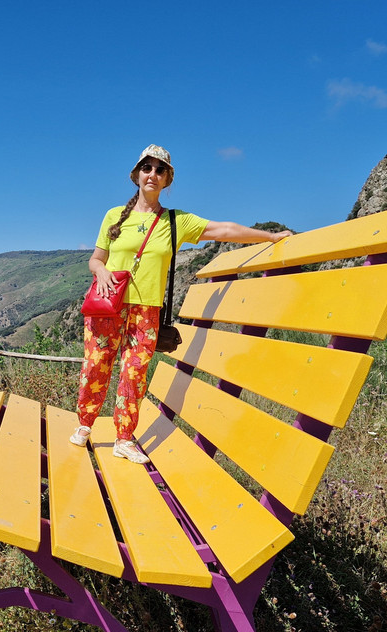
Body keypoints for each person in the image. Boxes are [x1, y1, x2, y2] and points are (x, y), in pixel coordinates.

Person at [71, 144, 292, 463]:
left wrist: (270, 237)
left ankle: (123, 438)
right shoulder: (114, 216)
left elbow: (225, 229)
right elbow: (95, 259)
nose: (153, 174)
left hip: (147, 310)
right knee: (96, 367)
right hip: (109, 304)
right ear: (136, 175)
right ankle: (85, 423)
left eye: (160, 170)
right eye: (147, 168)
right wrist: (101, 270)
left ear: (167, 180)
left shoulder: (176, 222)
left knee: (134, 373)